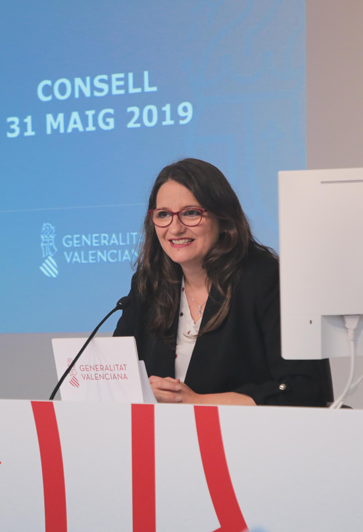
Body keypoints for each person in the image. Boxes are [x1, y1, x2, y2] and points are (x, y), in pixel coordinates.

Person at [114, 158, 333, 406]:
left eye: (191, 213)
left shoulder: (267, 281)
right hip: (163, 438)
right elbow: (116, 379)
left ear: (223, 219)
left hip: (250, 438)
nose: (174, 229)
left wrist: (199, 401)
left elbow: (305, 388)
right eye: (163, 214)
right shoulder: (150, 286)